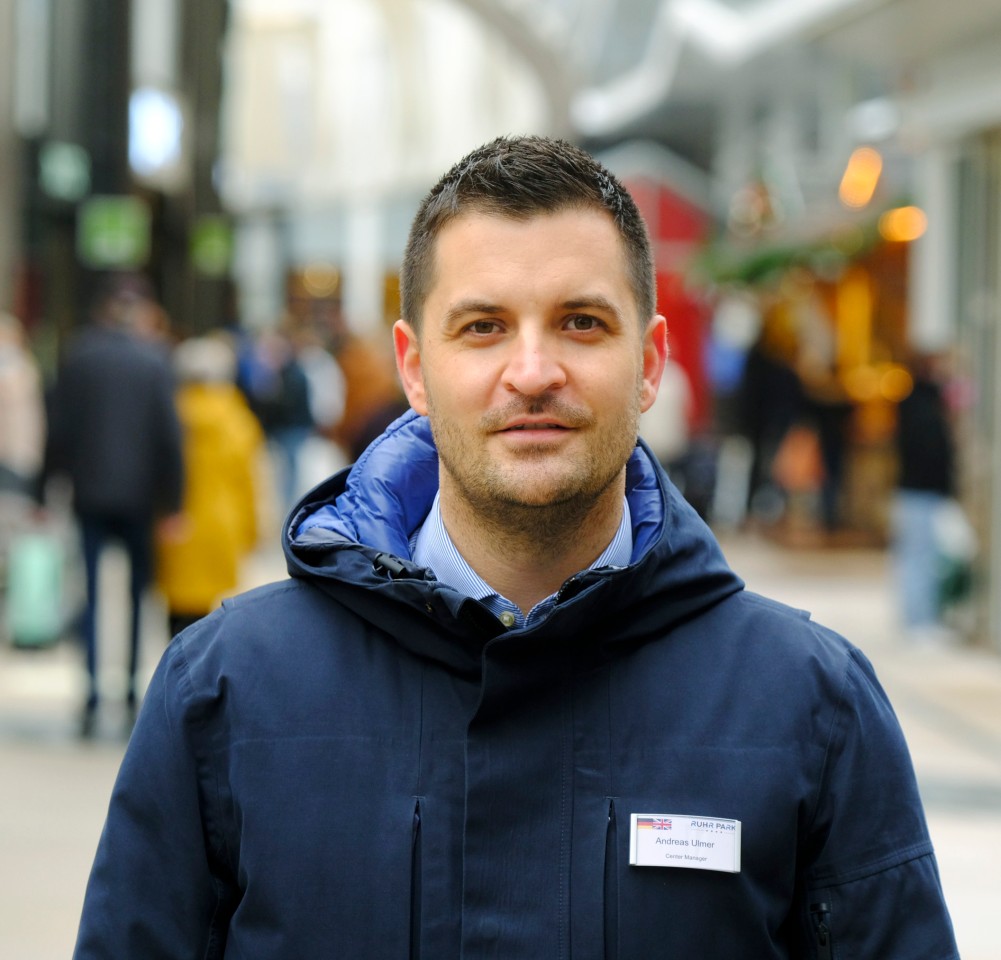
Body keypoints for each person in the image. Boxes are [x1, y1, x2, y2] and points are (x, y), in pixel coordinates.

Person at [74, 138, 957, 958]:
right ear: (414, 368)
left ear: (650, 364)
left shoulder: (810, 706)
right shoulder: (223, 695)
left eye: (580, 322)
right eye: (483, 326)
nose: (531, 372)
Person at [44, 274, 184, 735]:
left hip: (89, 493)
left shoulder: (80, 356)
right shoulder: (154, 360)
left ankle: (88, 695)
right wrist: (176, 502)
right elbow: (170, 436)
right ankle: (125, 692)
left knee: (90, 593)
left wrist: (47, 487)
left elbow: (58, 427)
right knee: (136, 597)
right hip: (141, 497)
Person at [155, 334, 264, 637]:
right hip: (221, 526)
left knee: (176, 609)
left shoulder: (171, 415)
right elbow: (250, 483)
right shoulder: (238, 421)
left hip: (177, 524)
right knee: (208, 618)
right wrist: (253, 530)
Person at [892, 351, 960, 644]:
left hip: (919, 491)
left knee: (921, 556)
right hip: (920, 492)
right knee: (919, 557)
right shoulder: (922, 406)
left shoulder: (922, 403)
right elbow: (929, 453)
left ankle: (920, 618)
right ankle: (918, 621)